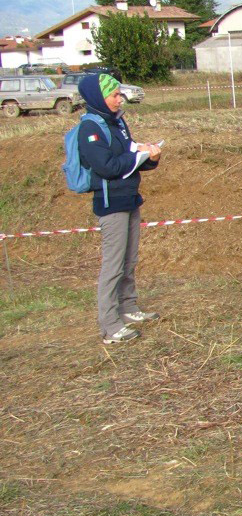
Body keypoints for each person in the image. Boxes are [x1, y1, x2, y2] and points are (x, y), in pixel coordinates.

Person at [76, 73, 162, 344]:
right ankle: (110, 325)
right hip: (110, 204)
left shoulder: (118, 122)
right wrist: (139, 156)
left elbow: (128, 153)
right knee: (113, 266)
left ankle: (129, 307)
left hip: (129, 198)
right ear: (98, 97)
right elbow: (107, 167)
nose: (118, 99)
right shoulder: (90, 129)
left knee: (129, 260)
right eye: (113, 95)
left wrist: (150, 157)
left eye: (118, 94)